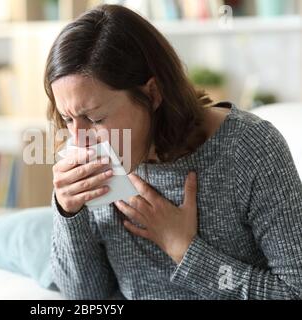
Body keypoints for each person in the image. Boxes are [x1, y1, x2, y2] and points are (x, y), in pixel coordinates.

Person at [44, 4, 302, 300]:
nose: (79, 140)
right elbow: (85, 296)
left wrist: (186, 251)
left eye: (96, 119)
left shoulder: (249, 148)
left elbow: (294, 292)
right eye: (67, 119)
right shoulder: (86, 155)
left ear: (152, 94)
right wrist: (68, 212)